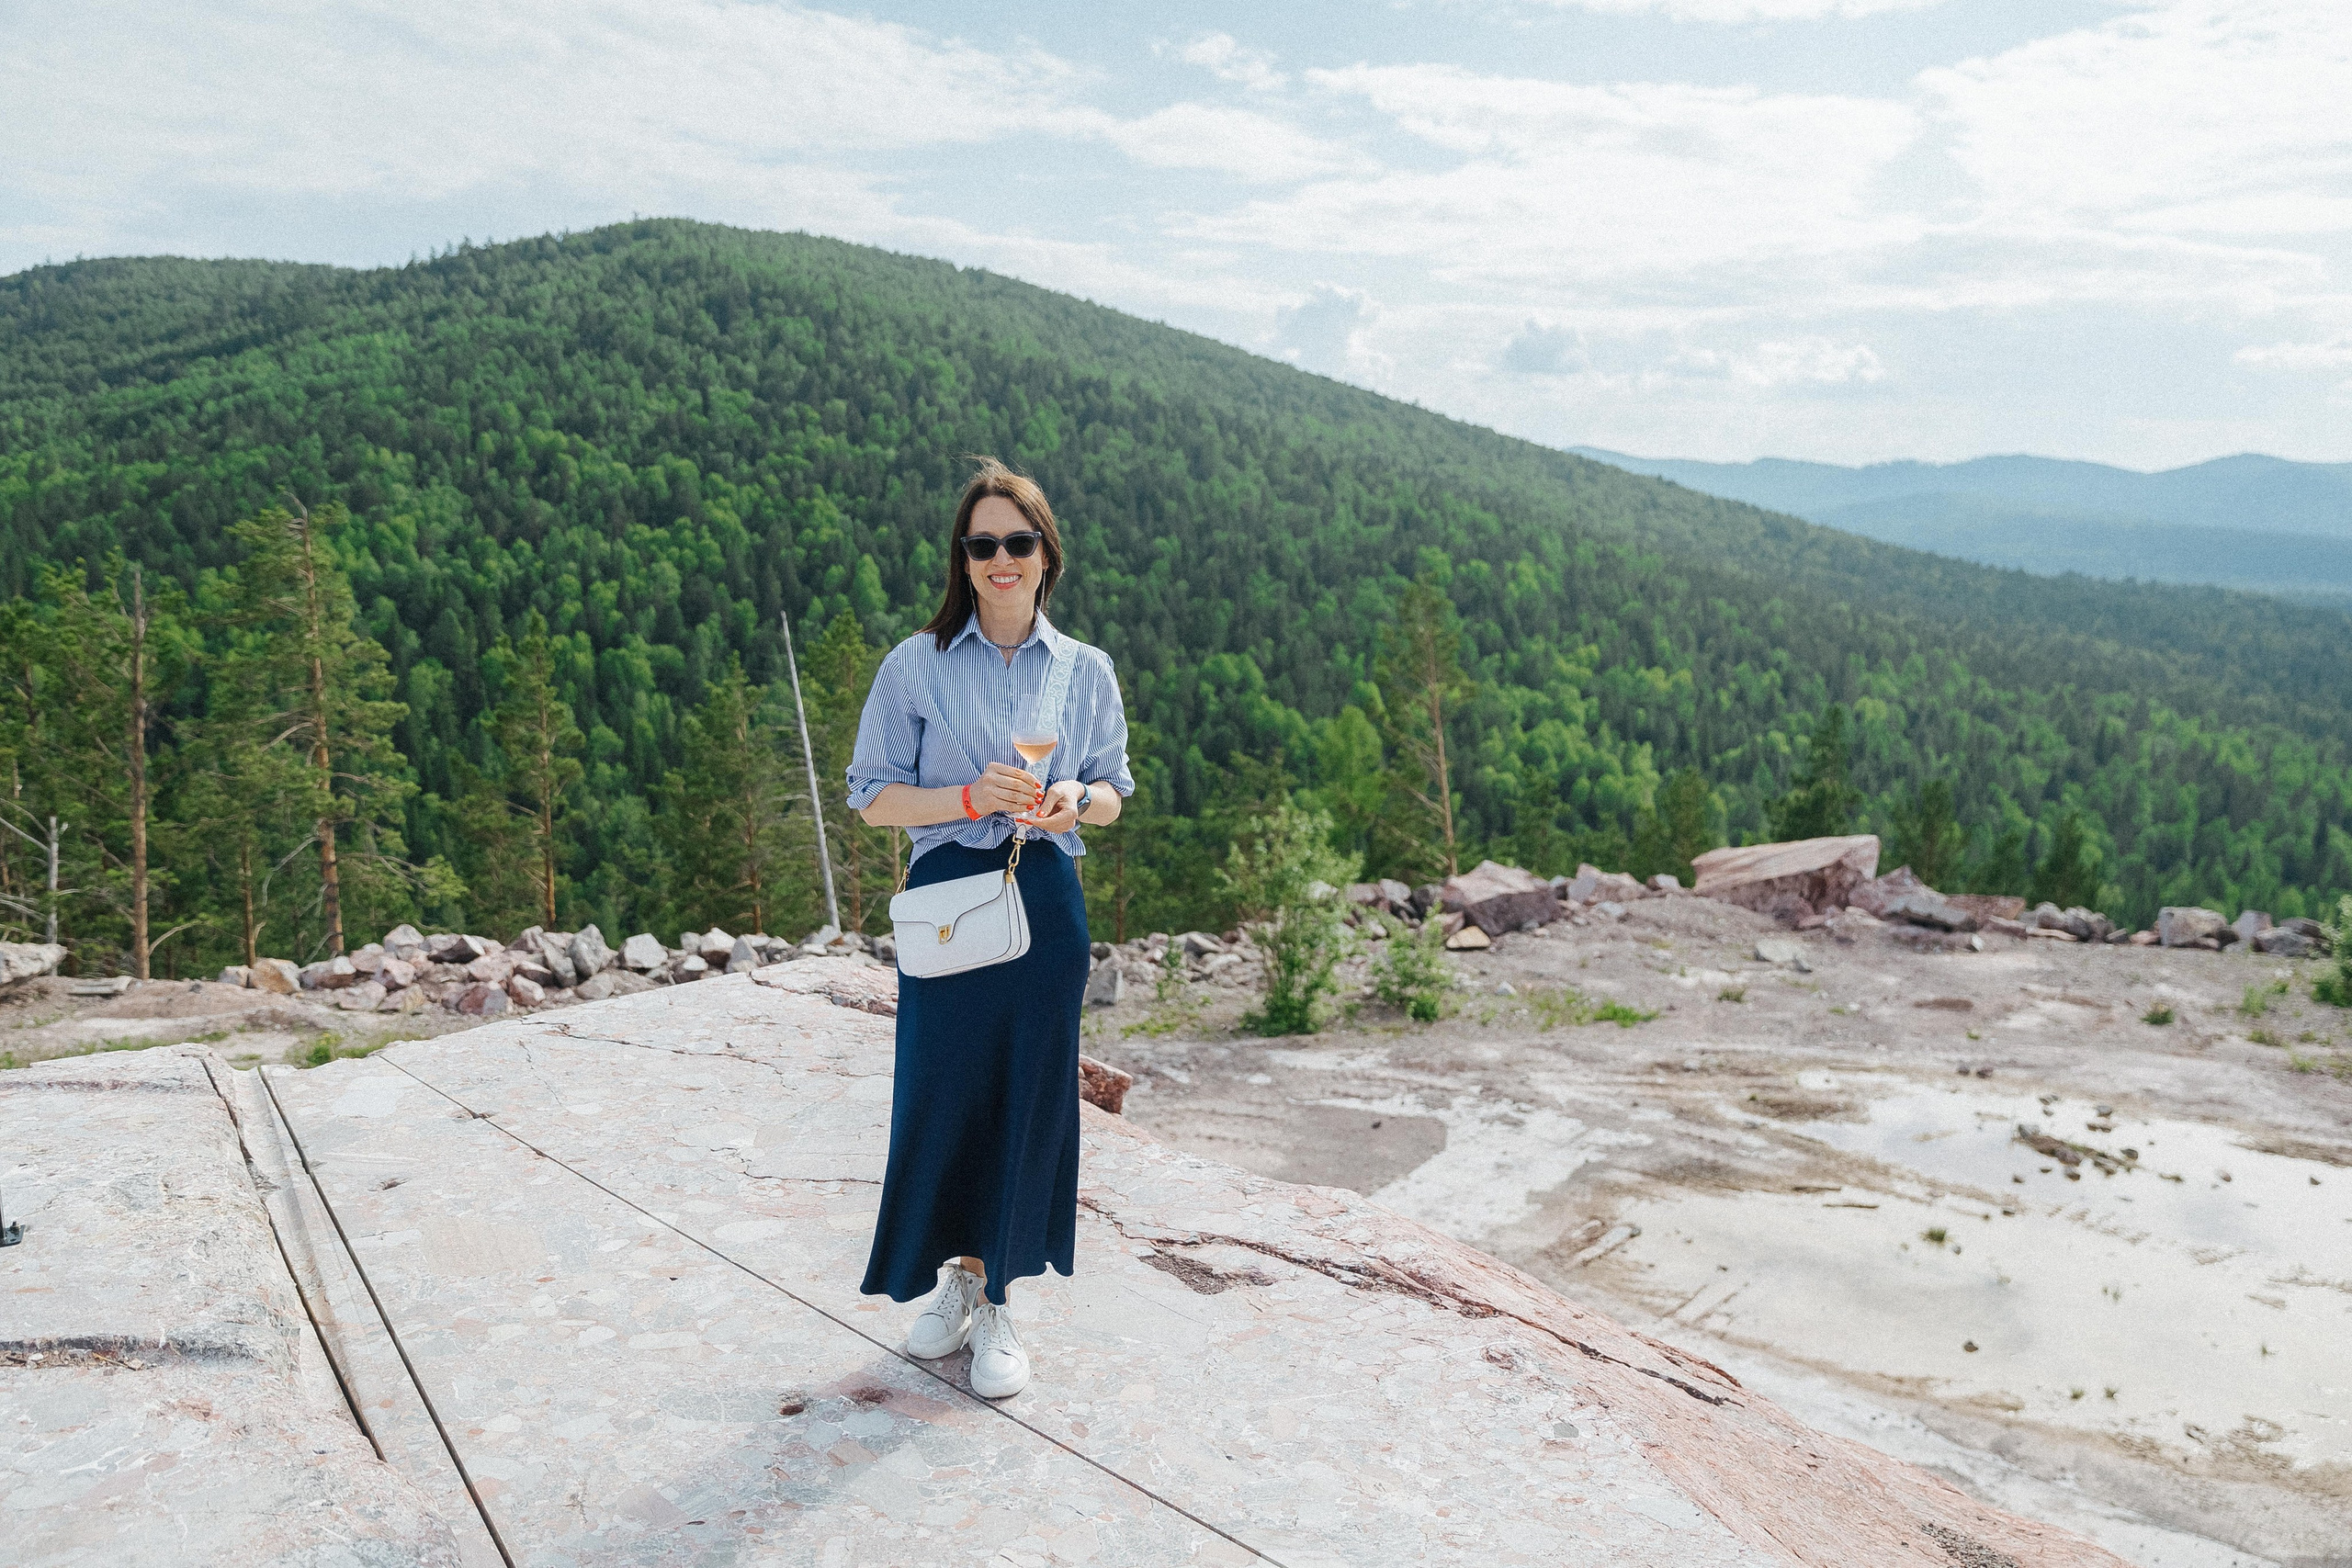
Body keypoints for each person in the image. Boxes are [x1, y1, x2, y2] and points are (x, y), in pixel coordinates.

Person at [845, 457, 1131, 1399]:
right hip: (947, 904)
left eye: (1018, 541)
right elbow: (872, 799)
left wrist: (1073, 800)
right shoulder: (914, 665)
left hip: (1043, 897)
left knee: (1027, 1098)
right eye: (982, 544)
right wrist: (966, 796)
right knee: (943, 1090)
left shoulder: (1086, 670)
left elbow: (1113, 795)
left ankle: (999, 1298)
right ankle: (954, 1279)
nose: (1001, 558)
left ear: (1046, 554)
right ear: (963, 563)